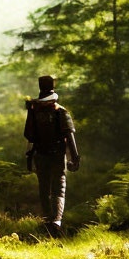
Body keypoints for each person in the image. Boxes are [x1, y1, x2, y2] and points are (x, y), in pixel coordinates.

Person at [24, 75, 80, 237]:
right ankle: (56, 222)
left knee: (44, 188)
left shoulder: (34, 112)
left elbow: (29, 135)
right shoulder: (60, 111)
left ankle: (47, 222)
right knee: (58, 188)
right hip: (57, 155)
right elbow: (69, 136)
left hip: (40, 154)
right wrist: (75, 157)